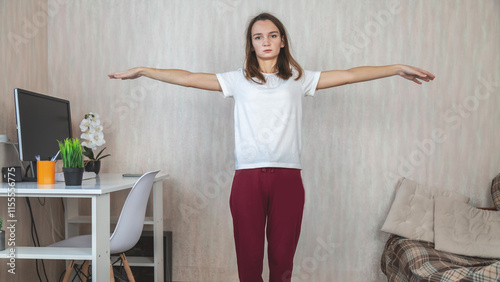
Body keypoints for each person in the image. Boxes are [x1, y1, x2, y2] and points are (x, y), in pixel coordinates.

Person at [108, 12, 435, 282]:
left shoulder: (299, 78)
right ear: (251, 44)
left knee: (282, 264)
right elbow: (189, 77)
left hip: (288, 180)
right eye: (258, 36)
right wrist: (145, 71)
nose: (266, 41)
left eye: (272, 35)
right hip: (247, 180)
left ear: (282, 40)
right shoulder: (237, 80)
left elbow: (349, 75)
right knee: (249, 266)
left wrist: (394, 68)